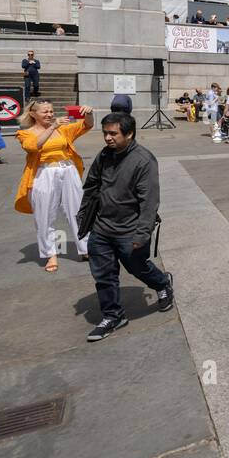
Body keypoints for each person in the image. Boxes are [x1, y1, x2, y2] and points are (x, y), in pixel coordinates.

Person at [78, 112, 174, 342]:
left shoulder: (144, 160)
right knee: (103, 275)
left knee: (138, 268)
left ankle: (162, 284)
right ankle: (113, 316)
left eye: (113, 133)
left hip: (129, 231)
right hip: (101, 228)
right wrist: (86, 213)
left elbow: (149, 201)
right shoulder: (104, 155)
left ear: (129, 134)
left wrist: (142, 234)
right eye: (105, 133)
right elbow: (92, 184)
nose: (108, 138)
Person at [14, 99, 94, 272]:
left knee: (79, 210)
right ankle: (50, 254)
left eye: (51, 111)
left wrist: (89, 113)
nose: (50, 115)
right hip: (44, 174)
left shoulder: (63, 129)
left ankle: (86, 248)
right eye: (45, 112)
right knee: (44, 215)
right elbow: (33, 146)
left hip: (68, 170)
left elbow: (87, 125)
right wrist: (52, 127)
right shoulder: (26, 133)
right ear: (33, 114)